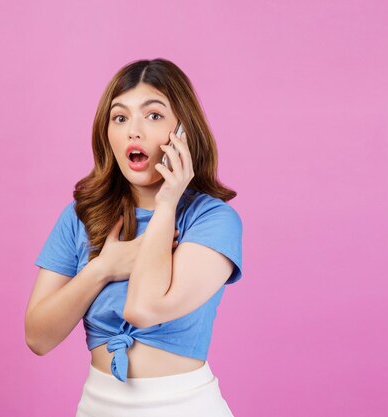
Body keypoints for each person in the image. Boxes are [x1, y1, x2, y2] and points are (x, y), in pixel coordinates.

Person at [25, 58, 243, 417]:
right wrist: (102, 269)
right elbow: (38, 337)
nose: (133, 131)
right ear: (106, 132)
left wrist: (168, 201)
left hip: (185, 407)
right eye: (120, 117)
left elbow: (143, 309)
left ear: (184, 131)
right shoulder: (82, 215)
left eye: (153, 115)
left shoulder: (213, 220)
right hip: (97, 406)